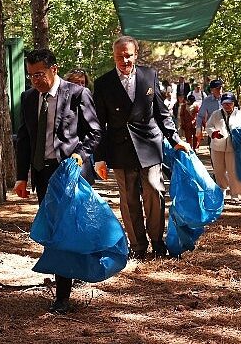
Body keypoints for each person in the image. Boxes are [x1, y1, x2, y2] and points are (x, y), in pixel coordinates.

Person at [14, 49, 101, 314]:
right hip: (43, 174)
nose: (35, 81)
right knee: (54, 229)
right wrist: (21, 177)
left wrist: (79, 156)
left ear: (54, 68)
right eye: (30, 76)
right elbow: (26, 139)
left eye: (39, 74)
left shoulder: (76, 94)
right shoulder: (29, 98)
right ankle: (68, 275)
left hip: (69, 172)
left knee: (65, 229)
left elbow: (95, 132)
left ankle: (63, 294)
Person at [92, 36, 190, 260]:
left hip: (149, 143)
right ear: (113, 56)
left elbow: (161, 112)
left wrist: (175, 139)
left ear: (135, 54)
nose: (124, 60)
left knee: (154, 191)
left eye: (128, 55)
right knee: (129, 199)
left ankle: (157, 242)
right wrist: (99, 158)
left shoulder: (149, 75)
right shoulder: (103, 83)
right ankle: (137, 246)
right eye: (119, 56)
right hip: (120, 148)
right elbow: (99, 123)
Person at [205, 92, 241, 203]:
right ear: (221, 104)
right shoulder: (216, 114)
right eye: (225, 103)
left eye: (229, 103)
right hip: (217, 147)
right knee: (219, 171)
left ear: (233, 103)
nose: (227, 106)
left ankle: (234, 194)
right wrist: (213, 133)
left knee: (233, 171)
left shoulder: (240, 115)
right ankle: (222, 190)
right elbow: (208, 126)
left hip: (233, 148)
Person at [196, 79, 224, 146]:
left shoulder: (227, 98)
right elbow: (200, 115)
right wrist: (198, 128)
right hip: (213, 130)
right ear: (212, 90)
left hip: (226, 128)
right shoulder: (207, 101)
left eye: (220, 88)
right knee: (213, 152)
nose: (219, 90)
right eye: (216, 88)